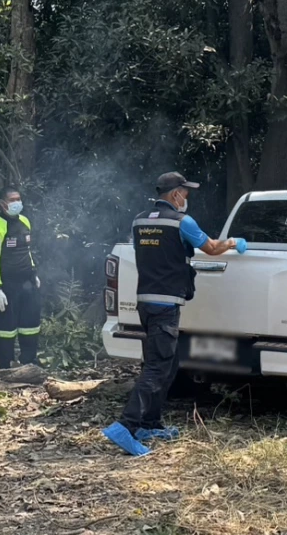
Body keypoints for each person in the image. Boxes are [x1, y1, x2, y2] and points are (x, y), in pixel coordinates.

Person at [103, 173, 243, 456]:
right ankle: (126, 426)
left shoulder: (139, 221)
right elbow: (212, 249)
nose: (186, 199)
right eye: (185, 193)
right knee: (157, 368)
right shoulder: (182, 222)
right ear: (175, 194)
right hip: (166, 304)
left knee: (165, 363)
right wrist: (232, 242)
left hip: (145, 301)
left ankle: (149, 424)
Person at [0, 188, 42, 368]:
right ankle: (5, 365)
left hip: (27, 283)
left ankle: (29, 361)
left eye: (19, 199)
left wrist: (33, 273)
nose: (17, 203)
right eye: (12, 200)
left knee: (31, 324)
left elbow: (27, 252)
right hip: (6, 286)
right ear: (2, 204)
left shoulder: (25, 222)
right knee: (5, 329)